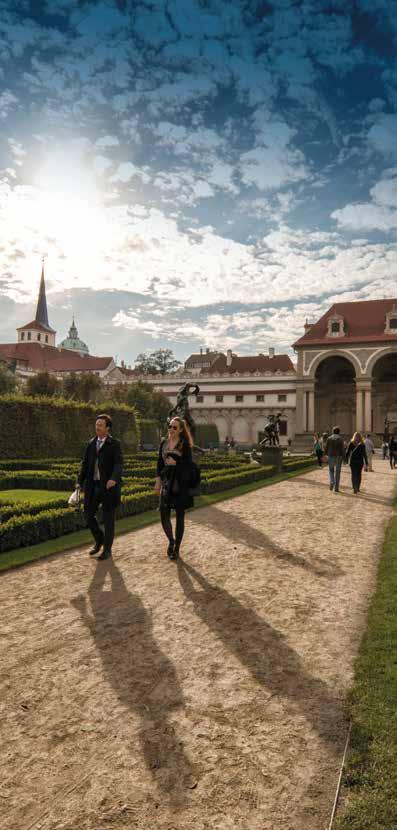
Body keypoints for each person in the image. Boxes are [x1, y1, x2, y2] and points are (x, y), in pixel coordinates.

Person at [77, 413, 123, 560]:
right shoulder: (91, 443)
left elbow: (118, 463)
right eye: (96, 425)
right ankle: (99, 540)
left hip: (108, 487)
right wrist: (79, 481)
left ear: (107, 428)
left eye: (100, 425)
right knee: (88, 515)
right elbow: (84, 464)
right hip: (92, 485)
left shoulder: (115, 444)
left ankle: (107, 550)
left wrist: (114, 478)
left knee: (109, 520)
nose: (97, 427)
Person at [155, 416, 195, 561]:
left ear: (181, 430)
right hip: (166, 481)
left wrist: (176, 463)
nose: (171, 429)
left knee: (179, 516)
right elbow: (159, 463)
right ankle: (171, 541)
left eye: (174, 427)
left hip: (180, 483)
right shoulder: (164, 443)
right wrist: (157, 480)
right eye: (170, 426)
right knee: (163, 514)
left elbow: (190, 465)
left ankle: (177, 548)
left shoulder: (185, 445)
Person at [325, 426, 345, 493]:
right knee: (338, 472)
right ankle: (336, 488)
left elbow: (326, 447)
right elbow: (342, 449)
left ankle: (332, 481)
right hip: (339, 456)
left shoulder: (329, 438)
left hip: (331, 456)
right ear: (339, 432)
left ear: (333, 431)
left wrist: (325, 454)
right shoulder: (341, 439)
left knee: (331, 471)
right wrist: (344, 457)